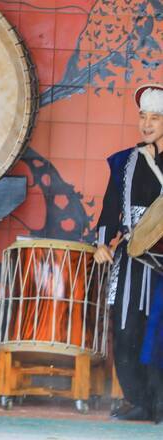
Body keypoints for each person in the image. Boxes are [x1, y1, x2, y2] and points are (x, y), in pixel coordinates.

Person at [94, 83, 163, 422]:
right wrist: (103, 243)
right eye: (143, 117)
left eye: (155, 118)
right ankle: (137, 401)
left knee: (158, 332)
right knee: (126, 329)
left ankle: (159, 402)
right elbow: (110, 210)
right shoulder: (124, 161)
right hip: (133, 258)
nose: (147, 124)